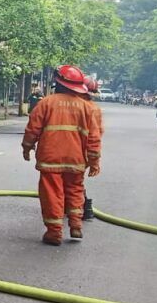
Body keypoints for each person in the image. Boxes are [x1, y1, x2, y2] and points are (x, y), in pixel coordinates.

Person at [22, 65, 102, 246]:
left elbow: (32, 130)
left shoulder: (46, 103)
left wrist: (26, 148)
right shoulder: (86, 107)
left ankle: (54, 232)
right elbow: (94, 138)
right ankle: (75, 225)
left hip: (50, 158)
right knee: (74, 190)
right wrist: (94, 161)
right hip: (76, 159)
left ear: (57, 82)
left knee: (52, 193)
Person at [81, 77, 104, 220]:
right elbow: (97, 135)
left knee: (69, 182)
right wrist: (94, 160)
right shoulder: (94, 108)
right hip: (86, 152)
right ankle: (84, 207)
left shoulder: (80, 106)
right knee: (75, 180)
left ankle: (82, 207)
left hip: (73, 150)